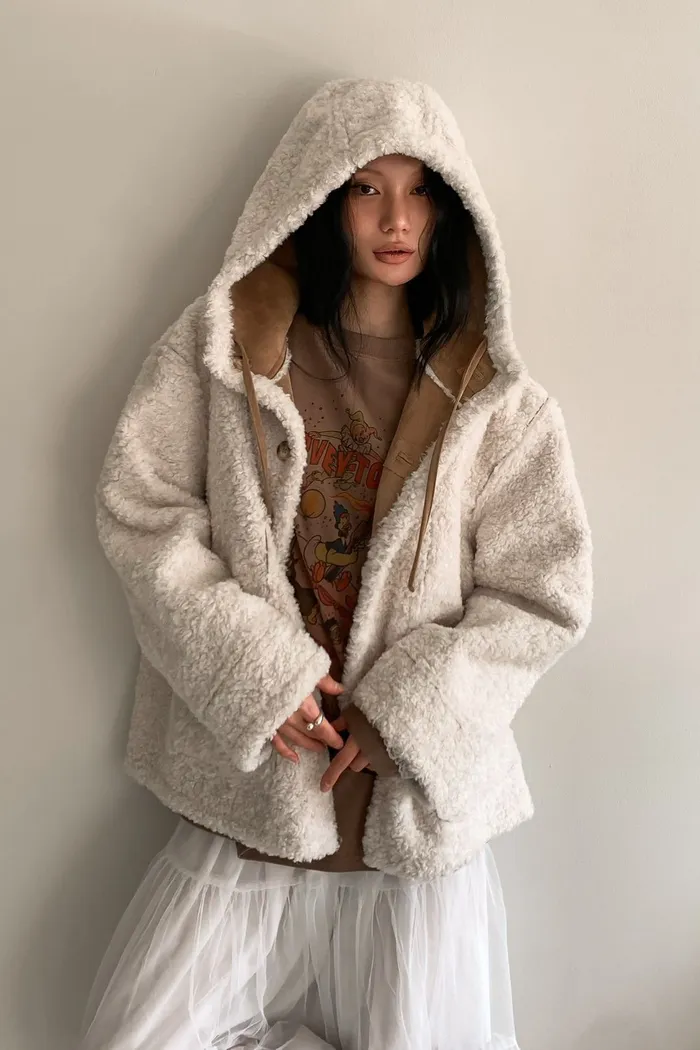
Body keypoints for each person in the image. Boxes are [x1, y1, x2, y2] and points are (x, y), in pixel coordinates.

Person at [80, 77, 593, 1050]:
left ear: (451, 207)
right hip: (255, 800)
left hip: (410, 825)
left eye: (420, 190)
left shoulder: (499, 403)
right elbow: (141, 513)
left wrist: (414, 712)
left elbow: (543, 596)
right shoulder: (224, 352)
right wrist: (253, 673)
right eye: (366, 189)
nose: (396, 220)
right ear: (319, 194)